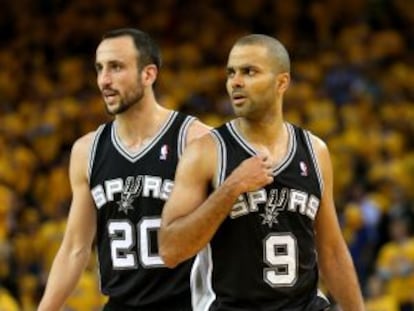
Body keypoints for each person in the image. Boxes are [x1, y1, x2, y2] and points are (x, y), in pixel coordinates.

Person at [159, 34, 365, 311]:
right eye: (231, 73)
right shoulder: (205, 153)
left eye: (249, 71)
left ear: (282, 82)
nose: (236, 81)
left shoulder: (315, 151)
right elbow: (170, 250)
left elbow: (331, 250)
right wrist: (232, 187)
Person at [37, 28, 210, 311]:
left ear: (148, 74)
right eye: (100, 68)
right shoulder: (87, 150)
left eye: (116, 67)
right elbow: (75, 249)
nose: (104, 80)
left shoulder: (195, 140)